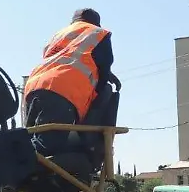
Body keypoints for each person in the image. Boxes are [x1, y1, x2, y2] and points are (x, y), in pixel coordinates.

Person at [24, 8, 121, 158]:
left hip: (33, 87)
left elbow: (66, 59)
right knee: (45, 149)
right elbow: (104, 67)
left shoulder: (60, 35)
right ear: (96, 22)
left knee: (30, 142)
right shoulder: (97, 33)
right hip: (62, 91)